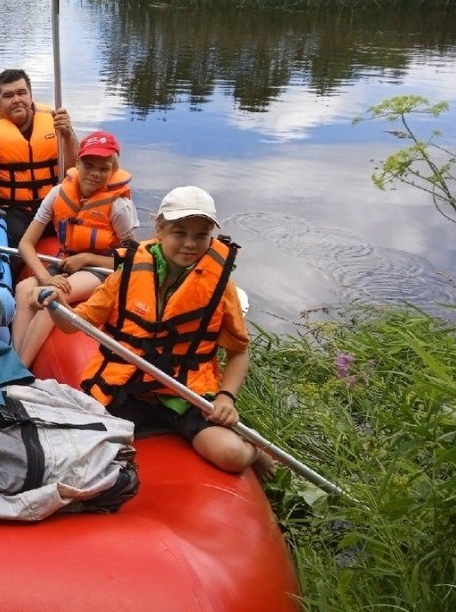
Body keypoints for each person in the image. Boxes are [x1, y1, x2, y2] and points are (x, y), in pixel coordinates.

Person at [32, 186, 275, 480]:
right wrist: (54, 305)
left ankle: (256, 451)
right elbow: (73, 325)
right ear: (159, 228)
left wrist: (225, 398)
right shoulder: (128, 274)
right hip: (126, 388)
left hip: (186, 394)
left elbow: (239, 352)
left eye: (201, 235)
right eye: (179, 232)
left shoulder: (221, 288)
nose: (190, 244)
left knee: (232, 455)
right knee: (74, 450)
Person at [12, 131, 137, 367]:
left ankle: (21, 368)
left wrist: (87, 258)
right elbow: (25, 244)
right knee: (22, 288)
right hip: (66, 261)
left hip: (103, 268)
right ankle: (15, 358)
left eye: (104, 168)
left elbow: (134, 258)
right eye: (89, 165)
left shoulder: (119, 205)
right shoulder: (58, 193)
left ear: (113, 168)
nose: (95, 174)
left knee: (53, 296)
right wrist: (45, 276)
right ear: (77, 163)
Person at [0, 68, 79, 250]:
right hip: (13, 211)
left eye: (21, 93)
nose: (17, 99)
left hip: (54, 205)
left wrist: (68, 134)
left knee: (82, 235)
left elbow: (76, 168)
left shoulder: (55, 120)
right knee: (12, 243)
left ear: (30, 95)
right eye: (8, 95)